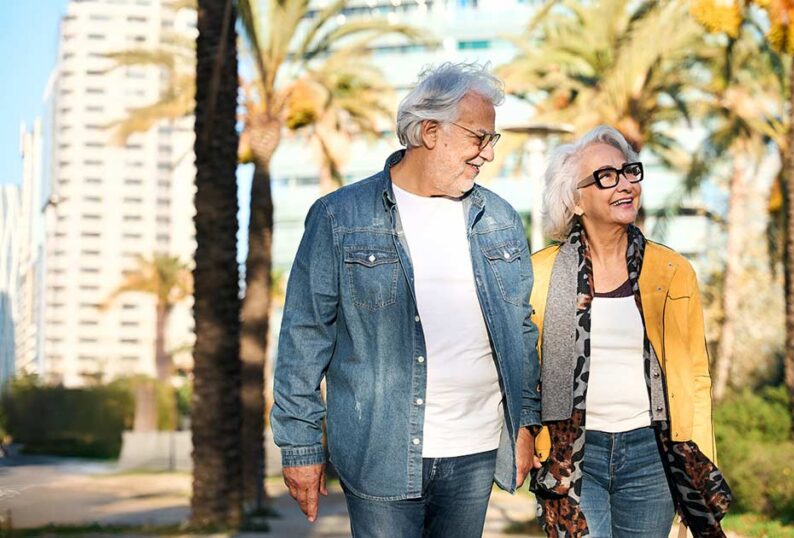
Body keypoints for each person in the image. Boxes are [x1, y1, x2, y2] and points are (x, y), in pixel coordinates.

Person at [270, 62, 541, 538]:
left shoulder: (498, 218)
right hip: (381, 449)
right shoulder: (339, 216)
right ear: (431, 131)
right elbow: (303, 338)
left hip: (475, 451)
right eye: (480, 138)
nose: (487, 155)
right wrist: (301, 447)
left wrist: (525, 424)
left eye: (491, 141)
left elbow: (520, 329)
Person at [528, 126, 730, 537]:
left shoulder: (672, 271)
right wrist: (526, 435)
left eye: (629, 172)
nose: (625, 185)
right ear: (576, 199)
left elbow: (693, 378)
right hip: (573, 454)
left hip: (650, 453)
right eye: (606, 176)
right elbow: (523, 369)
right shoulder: (540, 274)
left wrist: (697, 466)